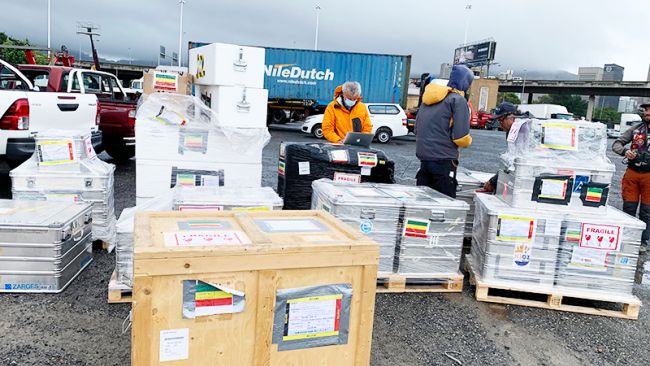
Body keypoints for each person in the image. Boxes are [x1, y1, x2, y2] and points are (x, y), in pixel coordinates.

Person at [415, 65, 474, 198]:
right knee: (444, 205)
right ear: (465, 83)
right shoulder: (457, 100)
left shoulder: (427, 99)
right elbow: (461, 137)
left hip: (424, 160)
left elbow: (416, 129)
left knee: (422, 202)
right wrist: (468, 141)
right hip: (444, 160)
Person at [613, 103, 650, 250]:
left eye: (649, 110)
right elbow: (616, 144)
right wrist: (624, 152)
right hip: (632, 174)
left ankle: (642, 242)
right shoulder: (635, 129)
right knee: (628, 208)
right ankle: (627, 238)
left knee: (647, 211)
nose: (647, 112)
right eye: (646, 110)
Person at [482, 102, 521, 193]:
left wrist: (493, 182)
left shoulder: (523, 132)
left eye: (501, 120)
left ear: (512, 117)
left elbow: (515, 164)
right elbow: (510, 162)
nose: (500, 124)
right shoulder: (511, 131)